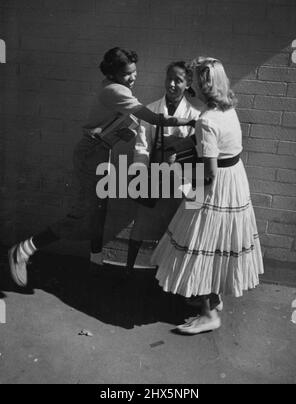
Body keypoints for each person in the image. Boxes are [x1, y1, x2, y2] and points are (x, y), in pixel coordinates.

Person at [8, 47, 195, 288]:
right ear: (114, 73)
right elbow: (156, 119)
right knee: (82, 215)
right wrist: (193, 121)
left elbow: (117, 122)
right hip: (91, 154)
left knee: (99, 210)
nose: (133, 77)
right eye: (127, 74)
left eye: (134, 72)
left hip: (101, 150)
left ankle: (95, 262)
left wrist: (116, 130)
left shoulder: (116, 86)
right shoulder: (116, 90)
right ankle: (24, 250)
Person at [151, 57, 264, 334]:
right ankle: (213, 297)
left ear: (201, 85)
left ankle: (209, 314)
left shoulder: (206, 120)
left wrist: (182, 180)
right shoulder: (227, 107)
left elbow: (209, 172)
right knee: (217, 243)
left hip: (214, 186)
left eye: (194, 82)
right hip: (234, 181)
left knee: (199, 242)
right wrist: (187, 143)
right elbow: (218, 144)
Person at [127, 61, 200, 272]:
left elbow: (199, 150)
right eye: (169, 78)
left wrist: (178, 150)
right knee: (141, 223)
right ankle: (129, 269)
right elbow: (142, 146)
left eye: (178, 80)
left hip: (181, 176)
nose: (172, 84)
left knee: (178, 227)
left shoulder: (195, 113)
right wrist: (139, 173)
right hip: (154, 174)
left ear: (187, 84)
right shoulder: (151, 110)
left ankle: (170, 274)